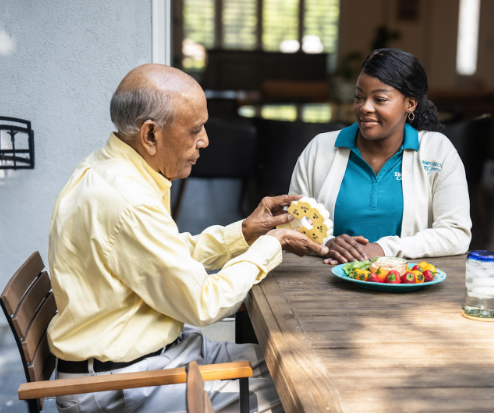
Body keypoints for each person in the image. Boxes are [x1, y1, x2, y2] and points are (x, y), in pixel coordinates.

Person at [48, 64, 328, 413]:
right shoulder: (128, 201)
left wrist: (243, 232)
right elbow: (203, 303)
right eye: (195, 129)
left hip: (156, 357)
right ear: (151, 135)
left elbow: (166, 254)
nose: (205, 140)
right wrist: (275, 243)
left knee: (296, 366)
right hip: (123, 384)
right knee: (303, 397)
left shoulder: (108, 168)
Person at [289, 49, 472, 264]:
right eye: (359, 97)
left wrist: (383, 248)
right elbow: (292, 224)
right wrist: (327, 244)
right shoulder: (320, 148)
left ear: (410, 104)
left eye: (380, 99)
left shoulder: (437, 151)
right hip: (326, 283)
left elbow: (456, 234)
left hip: (406, 284)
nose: (365, 107)